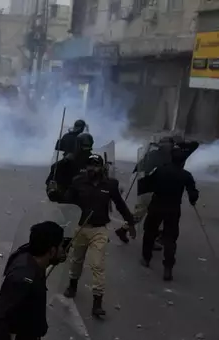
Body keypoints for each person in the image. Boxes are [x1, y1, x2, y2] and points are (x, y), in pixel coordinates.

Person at [62, 154, 136, 317]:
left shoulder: (110, 185)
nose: (92, 169)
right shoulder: (78, 181)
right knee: (76, 260)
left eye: (96, 165)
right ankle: (72, 284)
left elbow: (120, 205)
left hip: (99, 230)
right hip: (81, 227)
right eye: (90, 165)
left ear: (102, 167)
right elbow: (67, 203)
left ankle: (97, 302)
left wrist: (130, 223)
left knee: (98, 265)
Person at [139, 145, 199, 281]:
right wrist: (193, 199)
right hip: (173, 208)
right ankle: (168, 268)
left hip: (157, 205)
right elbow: (193, 193)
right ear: (183, 162)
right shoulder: (186, 175)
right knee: (170, 239)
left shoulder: (160, 170)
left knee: (149, 232)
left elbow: (147, 184)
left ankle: (146, 258)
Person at [46, 132, 93, 202]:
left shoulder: (92, 160)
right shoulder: (67, 162)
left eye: (87, 147)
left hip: (86, 198)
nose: (85, 149)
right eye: (84, 146)